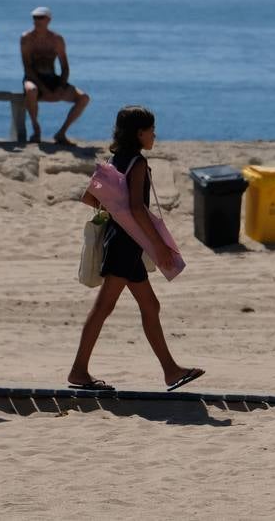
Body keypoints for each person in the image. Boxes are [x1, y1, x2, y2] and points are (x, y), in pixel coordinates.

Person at [68, 105, 204, 392]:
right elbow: (136, 208)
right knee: (104, 307)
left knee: (150, 305)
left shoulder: (116, 159)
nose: (154, 135)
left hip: (121, 241)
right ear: (139, 133)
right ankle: (79, 370)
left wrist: (115, 213)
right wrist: (159, 245)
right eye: (151, 130)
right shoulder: (138, 163)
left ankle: (170, 371)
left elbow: (89, 197)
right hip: (125, 245)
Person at [21, 6, 90, 146]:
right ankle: (36, 129)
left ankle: (62, 132)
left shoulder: (56, 39)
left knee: (83, 98)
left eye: (40, 17)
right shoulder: (26, 38)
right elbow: (27, 67)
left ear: (48, 20)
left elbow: (65, 66)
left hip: (53, 79)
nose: (37, 20)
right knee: (31, 90)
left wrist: (60, 86)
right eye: (35, 17)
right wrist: (44, 89)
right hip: (33, 78)